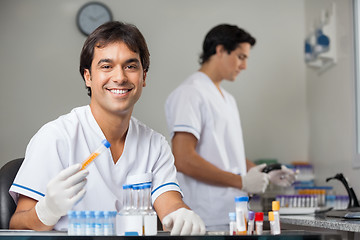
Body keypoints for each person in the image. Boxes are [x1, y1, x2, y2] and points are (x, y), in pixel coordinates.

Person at [9, 21, 205, 235]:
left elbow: (171, 207)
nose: (120, 77)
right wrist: (47, 210)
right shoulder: (56, 137)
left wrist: (181, 215)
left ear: (143, 77)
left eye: (131, 66)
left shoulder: (154, 145)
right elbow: (17, 225)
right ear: (88, 77)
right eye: (106, 66)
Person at [165, 24, 296, 230]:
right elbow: (183, 159)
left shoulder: (227, 99)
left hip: (234, 215)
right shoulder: (190, 93)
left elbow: (226, 156)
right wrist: (242, 182)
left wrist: (264, 171)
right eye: (241, 57)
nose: (244, 66)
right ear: (219, 50)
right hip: (206, 218)